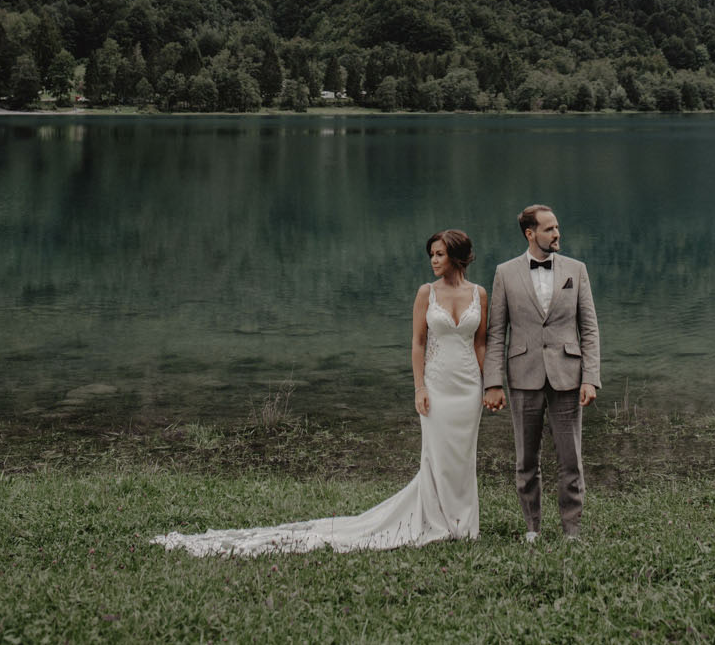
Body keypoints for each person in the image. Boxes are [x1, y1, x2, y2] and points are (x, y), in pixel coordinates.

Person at [151, 228, 487, 556]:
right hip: (437, 385)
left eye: (440, 254)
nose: (433, 260)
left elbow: (481, 341)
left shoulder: (479, 294)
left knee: (463, 456)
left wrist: (485, 384)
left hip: (468, 387)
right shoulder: (425, 293)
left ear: (457, 256)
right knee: (436, 456)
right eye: (432, 255)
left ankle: (465, 523)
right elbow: (417, 343)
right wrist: (419, 387)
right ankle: (436, 521)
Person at [482, 204, 600, 542]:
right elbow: (496, 332)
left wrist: (590, 377)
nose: (557, 234)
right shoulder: (505, 273)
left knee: (571, 459)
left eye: (557, 227)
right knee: (525, 460)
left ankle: (572, 531)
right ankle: (532, 528)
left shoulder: (576, 270)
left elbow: (589, 328)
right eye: (549, 229)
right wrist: (493, 382)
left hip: (567, 375)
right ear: (529, 234)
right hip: (523, 375)